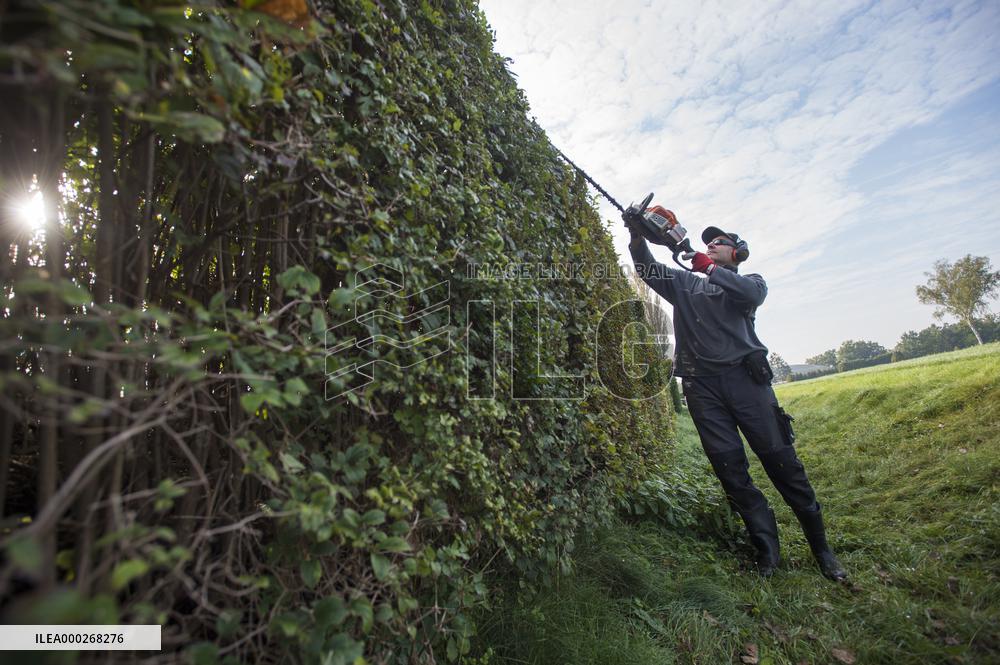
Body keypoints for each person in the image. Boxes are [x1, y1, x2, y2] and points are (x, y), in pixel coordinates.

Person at [625, 209, 847, 581]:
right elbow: (647, 268)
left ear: (738, 254)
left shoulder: (750, 285)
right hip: (702, 388)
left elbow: (750, 293)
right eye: (709, 242)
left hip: (747, 385)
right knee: (731, 471)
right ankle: (767, 551)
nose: (712, 244)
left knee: (783, 465)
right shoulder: (684, 284)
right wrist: (636, 235)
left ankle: (822, 550)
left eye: (721, 242)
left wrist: (705, 266)